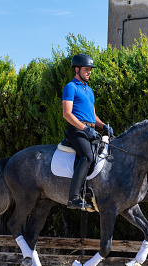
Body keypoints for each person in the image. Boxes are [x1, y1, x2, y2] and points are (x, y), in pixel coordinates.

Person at [62, 54, 114, 209]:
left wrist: (103, 125)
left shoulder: (89, 90)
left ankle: (90, 192)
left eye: (90, 69)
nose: (89, 72)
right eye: (86, 69)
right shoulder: (70, 87)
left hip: (90, 129)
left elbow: (92, 115)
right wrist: (85, 128)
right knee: (87, 156)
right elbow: (67, 113)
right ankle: (73, 198)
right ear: (76, 69)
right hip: (76, 130)